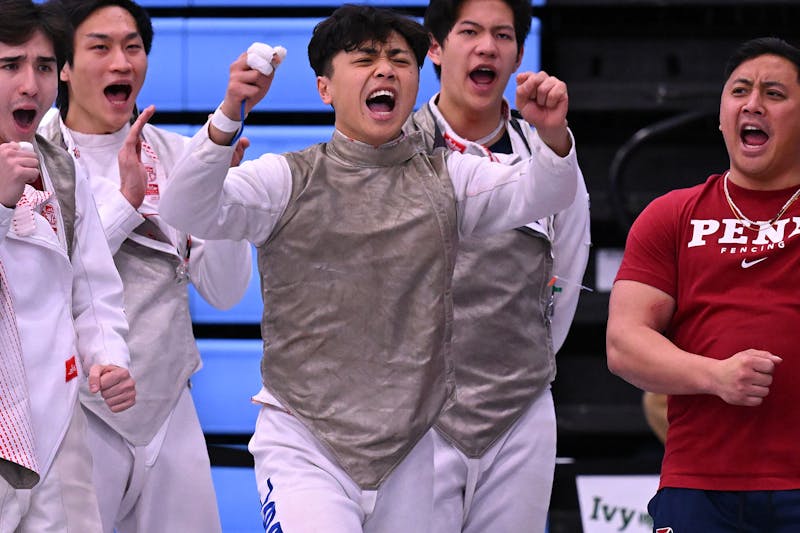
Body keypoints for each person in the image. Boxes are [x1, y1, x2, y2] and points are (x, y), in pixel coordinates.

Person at [159, 4, 580, 531]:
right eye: (364, 58)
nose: (384, 70)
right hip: (305, 443)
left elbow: (546, 192)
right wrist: (228, 113)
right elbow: (183, 208)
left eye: (398, 59)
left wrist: (552, 136)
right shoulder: (286, 181)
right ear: (324, 89)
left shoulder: (451, 179)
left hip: (409, 450)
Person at [38, 1, 252, 531]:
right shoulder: (28, 160)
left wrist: (219, 199)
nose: (121, 62)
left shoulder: (182, 157)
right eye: (100, 47)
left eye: (132, 47)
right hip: (71, 415)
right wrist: (124, 206)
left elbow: (225, 294)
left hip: (168, 411)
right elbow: (40, 283)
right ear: (63, 65)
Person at [406, 1, 591, 531]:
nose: (488, 46)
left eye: (503, 36)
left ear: (516, 57)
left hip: (518, 414)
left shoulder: (552, 156)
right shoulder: (394, 152)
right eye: (470, 31)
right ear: (436, 49)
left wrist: (515, 369)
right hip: (412, 416)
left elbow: (567, 277)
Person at [607, 36, 800, 531]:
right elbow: (624, 344)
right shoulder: (671, 215)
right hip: (699, 485)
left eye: (774, 93)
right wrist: (717, 377)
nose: (753, 103)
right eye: (739, 91)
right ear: (721, 115)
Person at [0, 0, 136, 530]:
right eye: (10, 66)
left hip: (57, 424)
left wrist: (109, 356)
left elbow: (91, 287)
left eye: (44, 66)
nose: (31, 84)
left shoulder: (62, 168)